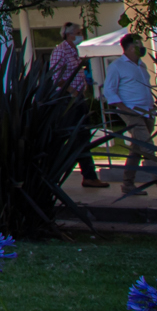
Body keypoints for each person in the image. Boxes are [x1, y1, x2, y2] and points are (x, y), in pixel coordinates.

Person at [104, 32, 157, 197]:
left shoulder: (141, 65)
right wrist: (125, 109)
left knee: (137, 148)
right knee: (148, 147)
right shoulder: (117, 66)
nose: (142, 47)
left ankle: (127, 184)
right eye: (139, 44)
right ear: (130, 47)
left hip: (147, 111)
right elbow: (109, 91)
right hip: (131, 112)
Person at [50, 22, 109, 189]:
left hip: (78, 98)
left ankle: (89, 175)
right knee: (70, 136)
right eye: (77, 33)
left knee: (82, 136)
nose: (80, 36)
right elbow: (56, 76)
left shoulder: (73, 51)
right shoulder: (60, 51)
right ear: (68, 34)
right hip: (68, 100)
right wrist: (72, 92)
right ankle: (53, 174)